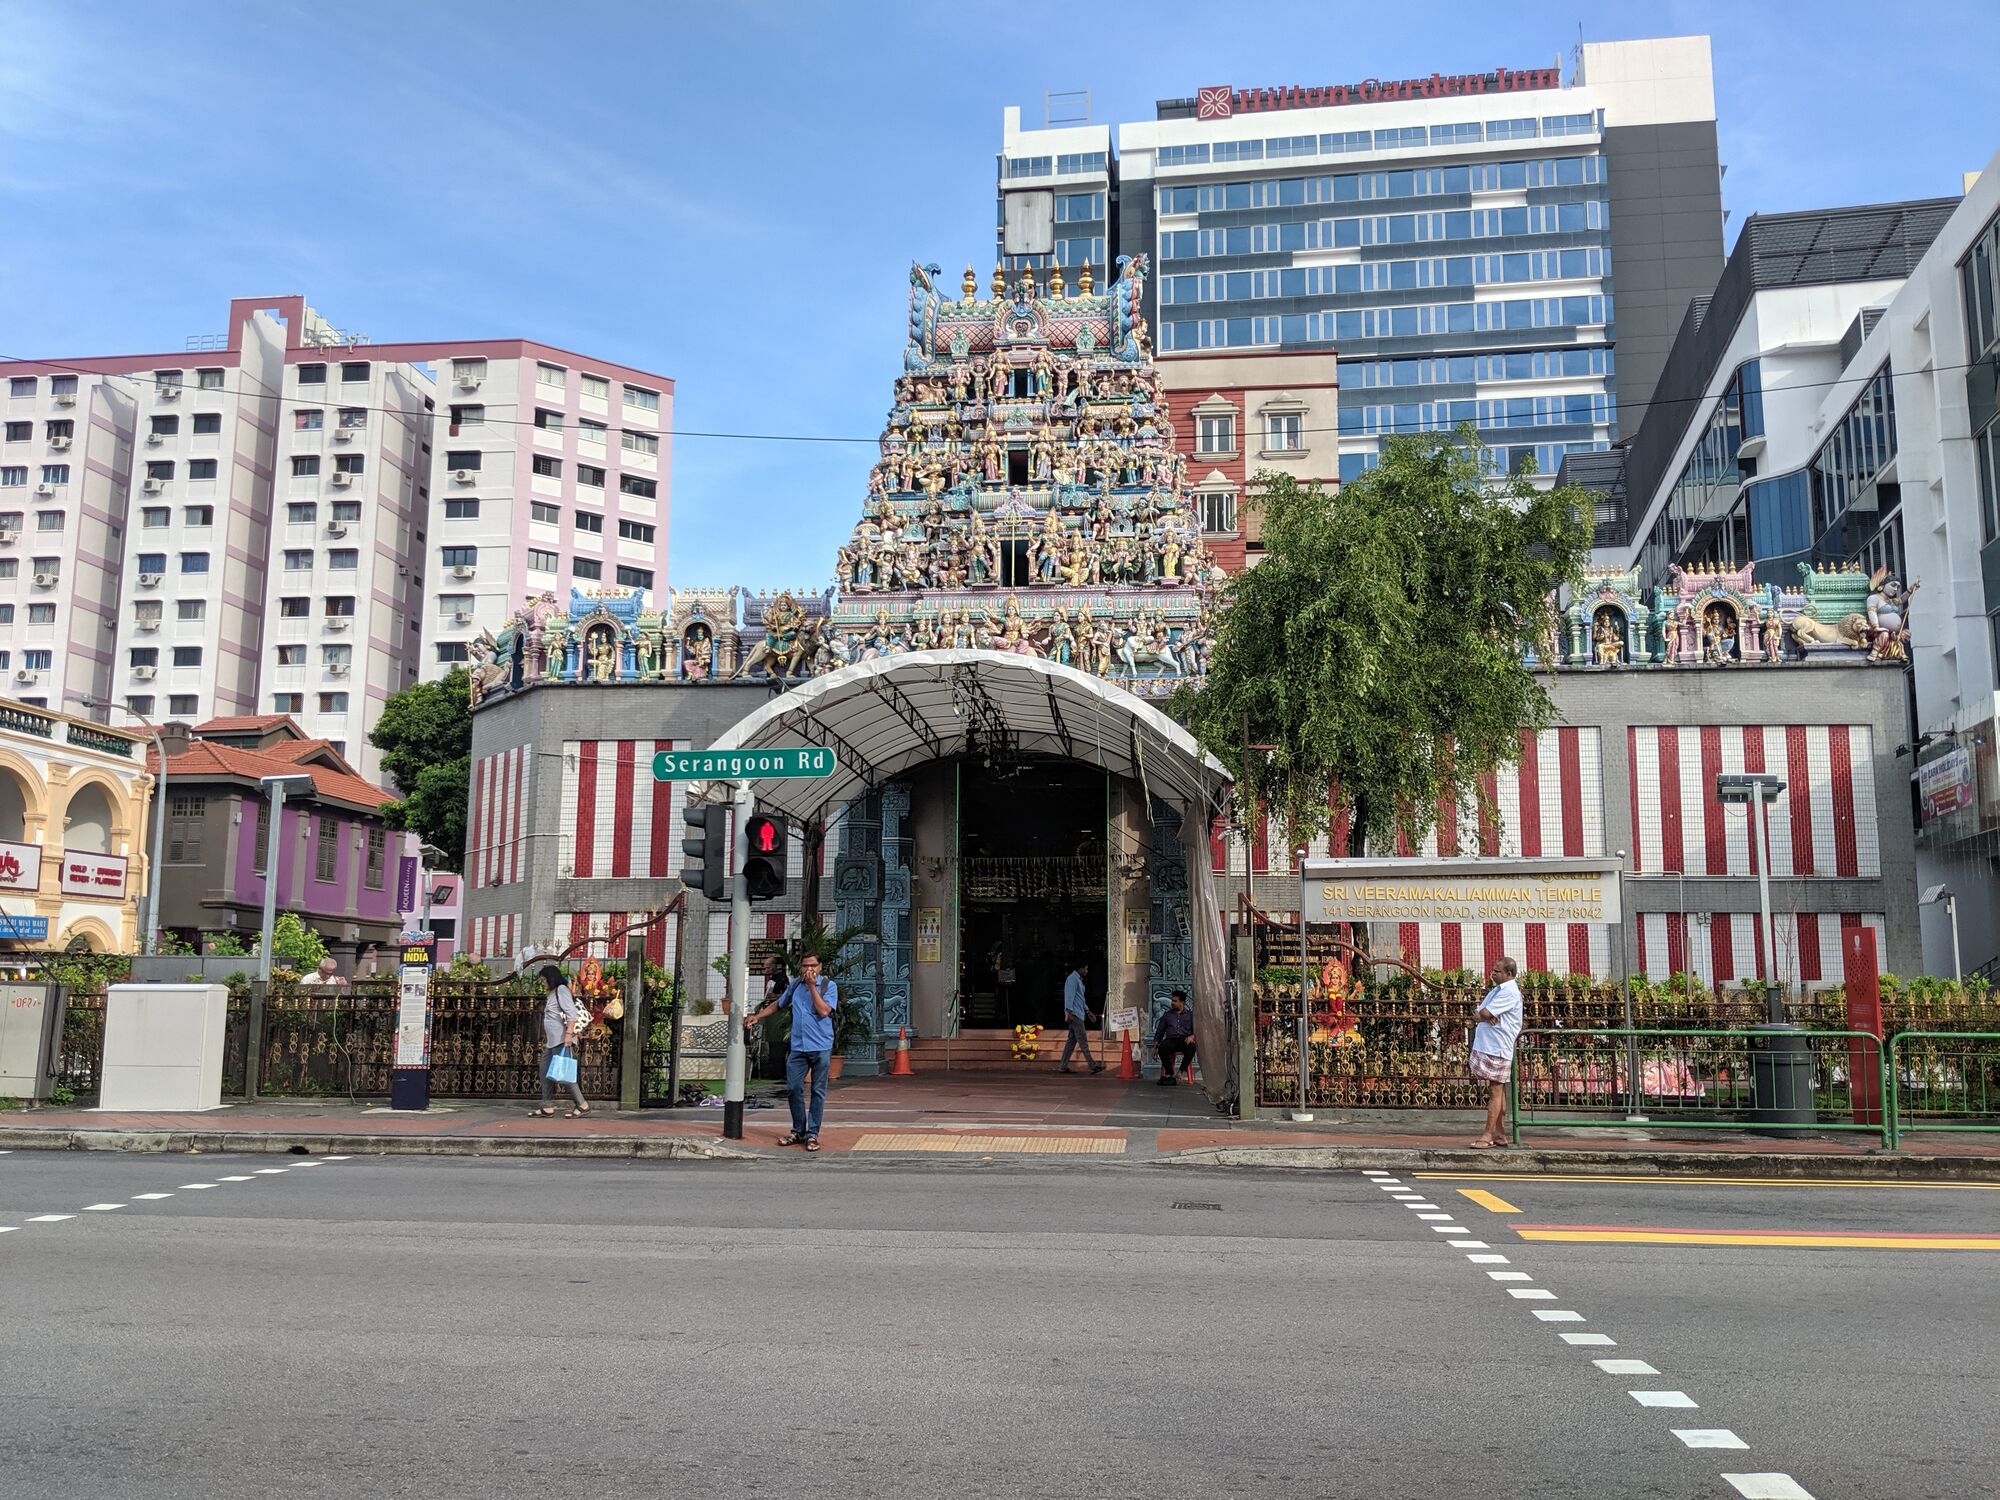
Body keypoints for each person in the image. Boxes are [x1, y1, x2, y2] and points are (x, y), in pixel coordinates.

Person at [745, 951, 839, 1152]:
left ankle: (812, 1134)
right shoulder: (795, 985)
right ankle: (798, 1130)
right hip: (798, 1047)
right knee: (794, 1088)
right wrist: (758, 1016)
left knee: (817, 1091)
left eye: (813, 965)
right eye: (805, 966)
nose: (809, 970)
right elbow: (777, 1005)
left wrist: (813, 987)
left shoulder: (827, 986)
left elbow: (824, 1011)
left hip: (821, 1046)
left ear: (820, 966)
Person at [1469, 956, 1523, 1147]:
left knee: (1496, 1091)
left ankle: (1487, 1135)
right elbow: (1480, 1011)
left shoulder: (1509, 992)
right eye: (1492, 970)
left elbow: (1484, 1013)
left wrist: (1485, 1015)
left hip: (1498, 1047)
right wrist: (1484, 1015)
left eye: (1497, 971)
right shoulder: (1497, 991)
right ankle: (1500, 1134)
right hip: (1490, 1045)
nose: (1492, 974)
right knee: (1497, 1090)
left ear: (1509, 974)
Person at [533, 964, 588, 1119]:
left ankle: (583, 1105)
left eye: (544, 980)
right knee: (544, 1071)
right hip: (552, 1041)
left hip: (562, 1040)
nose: (542, 983)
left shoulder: (561, 990)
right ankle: (547, 1105)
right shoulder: (552, 993)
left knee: (564, 1073)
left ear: (551, 978)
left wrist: (569, 1035)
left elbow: (571, 1013)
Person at [1058, 958, 1104, 1075]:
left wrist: (1088, 1011)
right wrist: (1068, 1012)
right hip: (1075, 1015)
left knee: (1071, 1041)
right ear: (1080, 968)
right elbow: (1069, 996)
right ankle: (1092, 1065)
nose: (1087, 971)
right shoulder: (1072, 979)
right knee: (1083, 1041)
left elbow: (1080, 999)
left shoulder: (1078, 980)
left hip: (1078, 1013)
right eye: (1086, 969)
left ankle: (1063, 1065)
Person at [1153, 989, 1196, 1086]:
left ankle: (1180, 1072)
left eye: (1175, 1001)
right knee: (1163, 1047)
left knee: (1192, 1047)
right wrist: (1155, 1046)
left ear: (1182, 1003)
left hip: (1184, 1039)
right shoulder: (1167, 1015)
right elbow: (1160, 1031)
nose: (1172, 1003)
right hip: (1171, 1040)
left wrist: (1192, 1036)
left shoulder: (1190, 1015)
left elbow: (1197, 1030)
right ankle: (1169, 1074)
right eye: (1172, 1000)